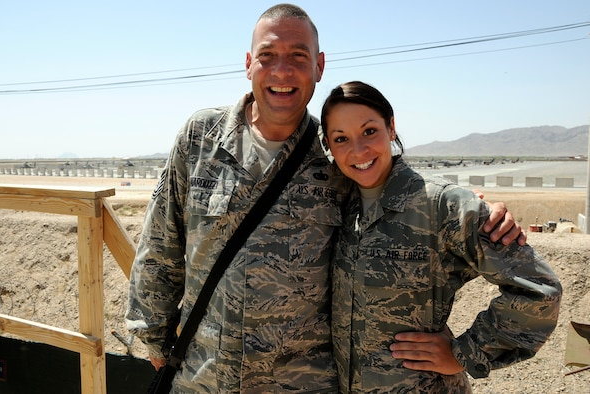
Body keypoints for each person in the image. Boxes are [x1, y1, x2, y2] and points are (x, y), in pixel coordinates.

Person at [125, 4, 526, 392]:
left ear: (319, 66)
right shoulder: (200, 137)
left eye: (298, 56)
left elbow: (405, 194)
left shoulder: (335, 154)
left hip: (303, 383)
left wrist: (474, 210)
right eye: (268, 56)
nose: (282, 70)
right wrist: (155, 340)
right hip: (203, 378)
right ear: (249, 63)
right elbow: (160, 244)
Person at [321, 81, 562, 393]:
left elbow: (540, 291)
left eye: (369, 131)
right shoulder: (335, 205)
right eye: (341, 139)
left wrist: (464, 353)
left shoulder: (441, 204)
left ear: (391, 128)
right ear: (329, 145)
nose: (358, 150)